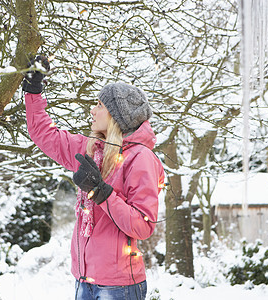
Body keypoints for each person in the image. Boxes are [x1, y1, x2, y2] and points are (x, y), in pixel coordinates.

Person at [22, 56, 164, 300]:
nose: (92, 109)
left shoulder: (140, 158)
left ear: (116, 116)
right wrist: (34, 91)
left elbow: (142, 225)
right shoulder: (91, 149)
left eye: (99, 104)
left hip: (119, 287)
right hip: (84, 281)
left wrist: (101, 192)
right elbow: (44, 134)